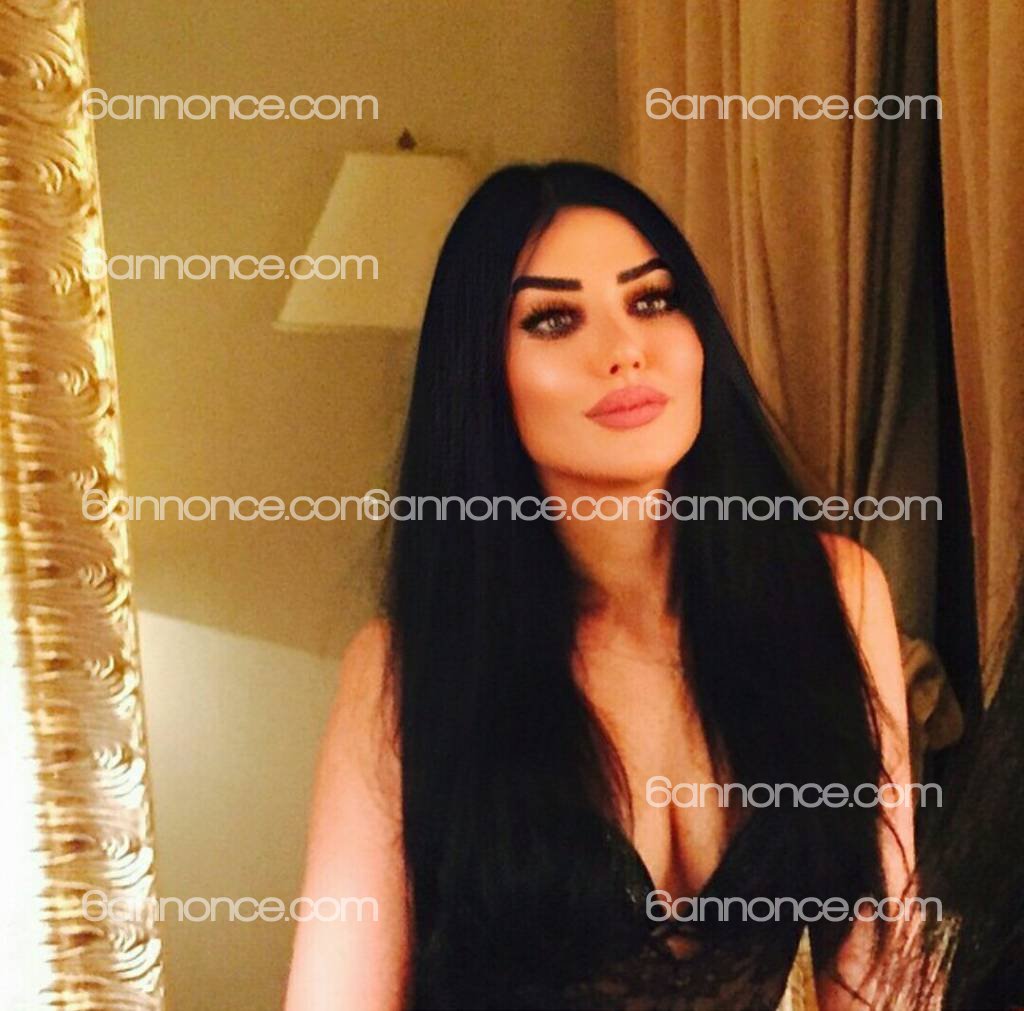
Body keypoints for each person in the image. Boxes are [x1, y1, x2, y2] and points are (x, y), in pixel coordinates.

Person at [284, 161, 913, 1010]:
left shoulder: (838, 593)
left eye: (652, 300)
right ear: (482, 375)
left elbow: (883, 966)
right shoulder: (407, 670)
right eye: (554, 319)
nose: (624, 350)